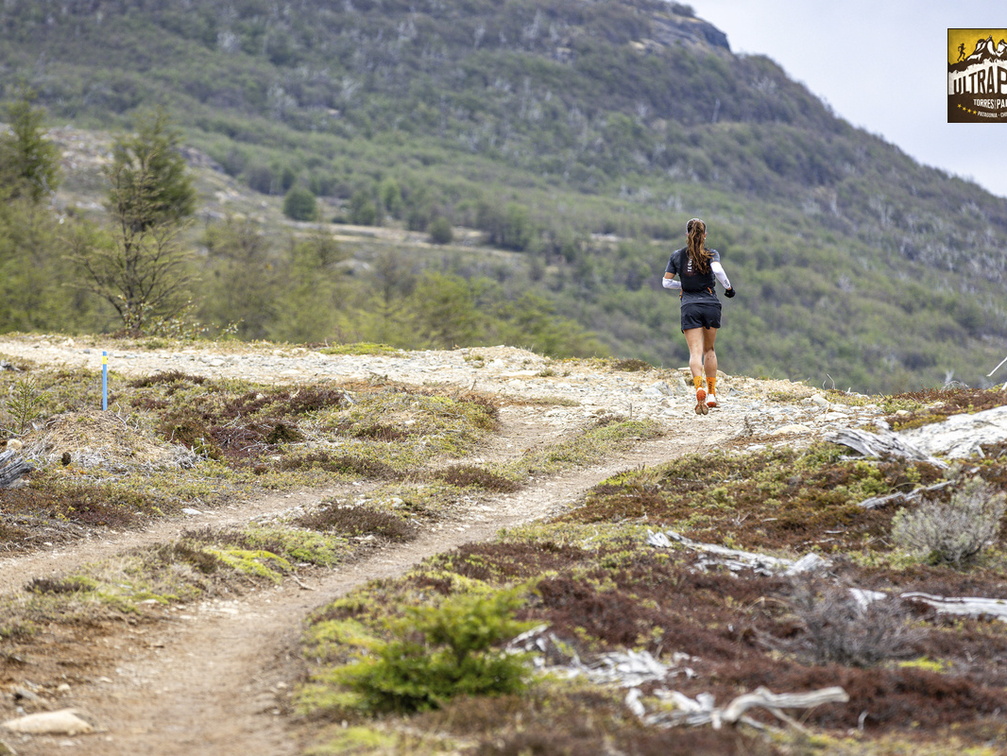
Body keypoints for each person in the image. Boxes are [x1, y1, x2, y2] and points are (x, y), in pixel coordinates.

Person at [662, 217, 736, 415]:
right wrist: (728, 287)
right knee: (709, 350)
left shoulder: (677, 256)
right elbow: (718, 270)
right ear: (705, 235)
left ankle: (699, 388)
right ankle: (712, 395)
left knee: (695, 353)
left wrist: (684, 285)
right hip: (711, 304)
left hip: (689, 306)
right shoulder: (711, 254)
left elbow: (666, 283)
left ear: (686, 234)